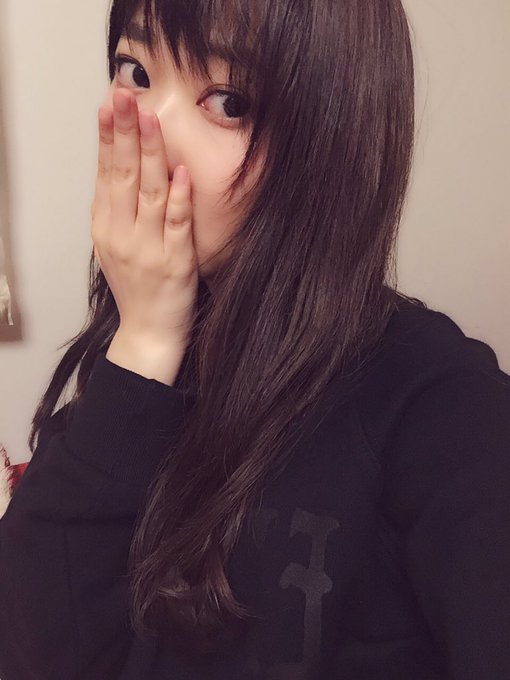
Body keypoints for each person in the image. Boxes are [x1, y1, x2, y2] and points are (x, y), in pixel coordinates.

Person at [1, 0, 509, 678]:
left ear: (329, 144)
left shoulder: (443, 404)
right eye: (135, 71)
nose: (152, 132)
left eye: (228, 102)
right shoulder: (131, 368)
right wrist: (144, 343)